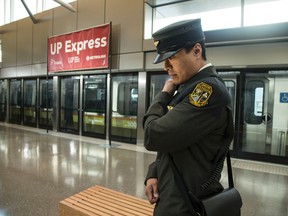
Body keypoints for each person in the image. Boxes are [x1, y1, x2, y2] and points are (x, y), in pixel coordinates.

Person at [143, 19, 234, 216]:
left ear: (196, 51)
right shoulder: (187, 87)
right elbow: (174, 141)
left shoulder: (207, 92)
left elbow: (153, 135)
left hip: (186, 205)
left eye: (172, 57)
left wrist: (164, 94)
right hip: (172, 194)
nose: (166, 66)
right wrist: (154, 172)